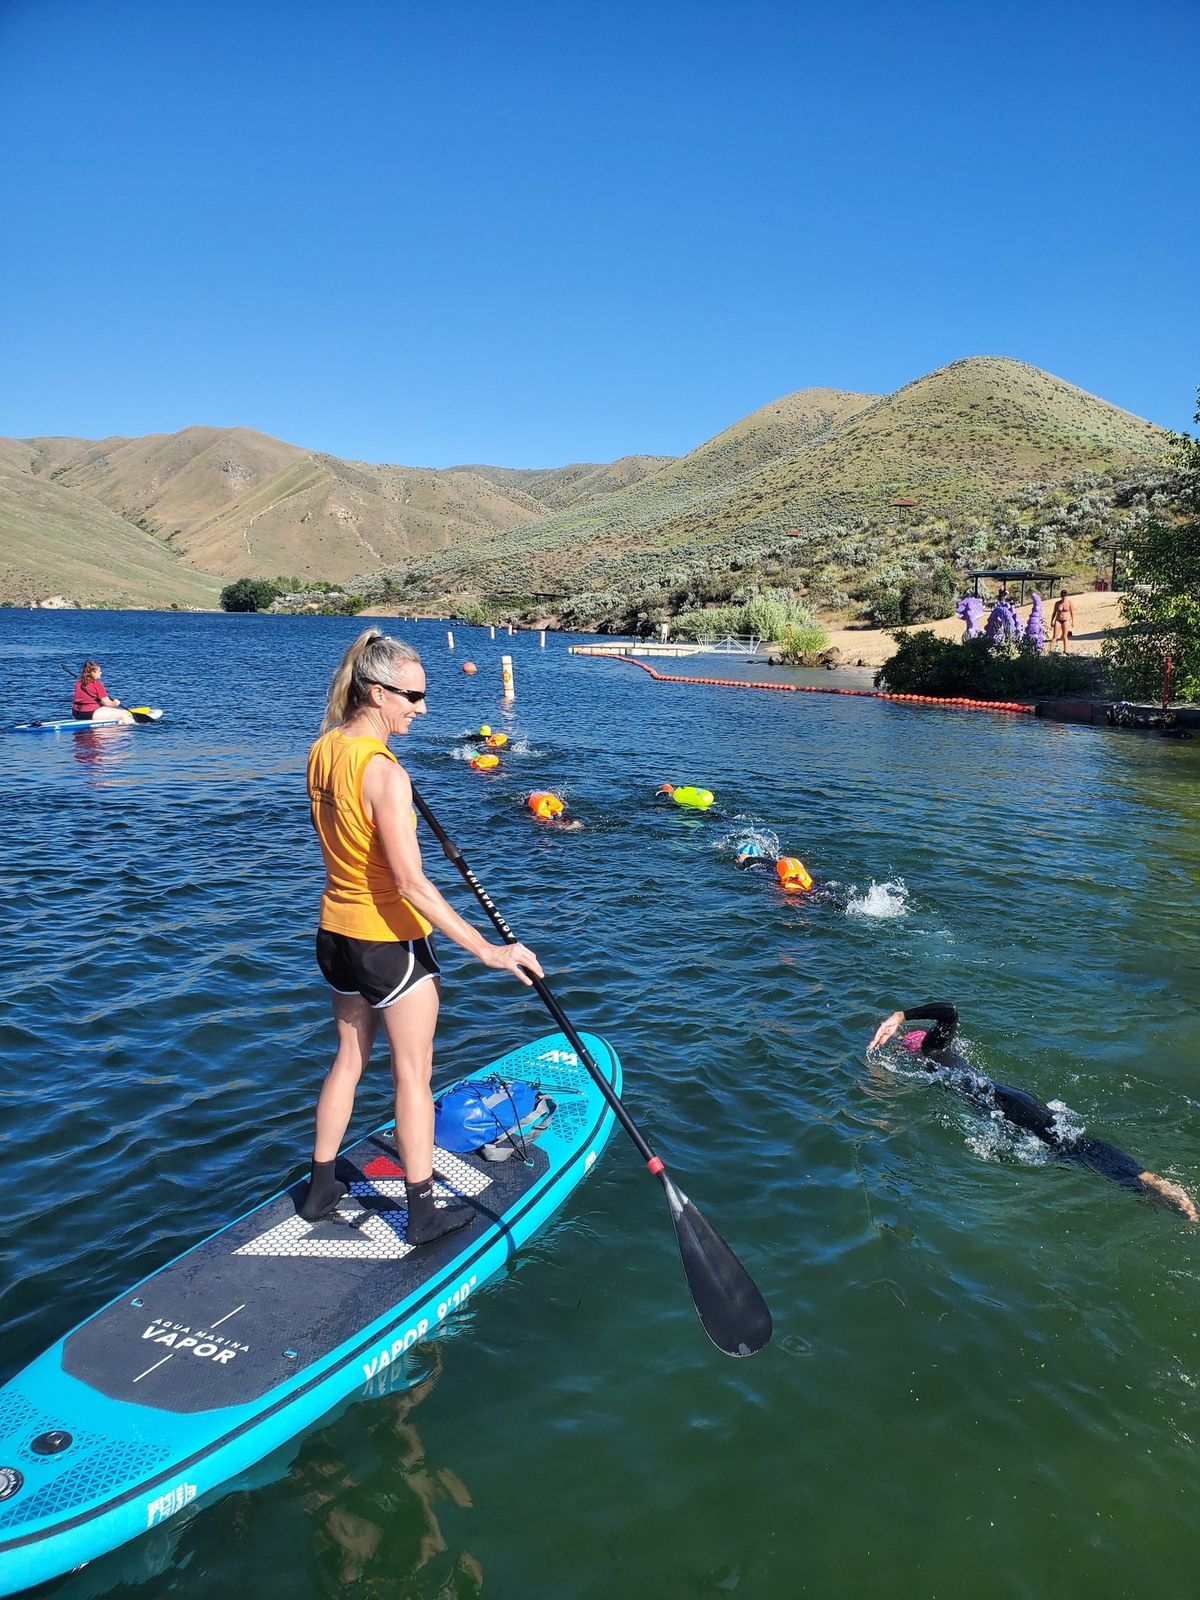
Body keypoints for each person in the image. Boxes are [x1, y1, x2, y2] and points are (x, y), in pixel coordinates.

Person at [302, 628, 543, 1243]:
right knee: (413, 1075)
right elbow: (411, 885)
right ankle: (422, 1213)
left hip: (334, 934)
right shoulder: (384, 774)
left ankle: (322, 1185)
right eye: (412, 696)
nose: (422, 707)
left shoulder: (324, 747)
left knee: (349, 1059)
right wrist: (489, 950)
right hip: (388, 942)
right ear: (377, 692)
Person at [868, 1002, 1197, 1219]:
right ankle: (1144, 1181)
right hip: (1013, 1097)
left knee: (1067, 1147)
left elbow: (949, 1012)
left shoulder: (931, 1048)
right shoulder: (943, 1054)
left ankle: (1150, 1185)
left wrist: (900, 1016)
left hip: (1004, 1103)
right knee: (1071, 1144)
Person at [1049, 590, 1075, 654]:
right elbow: (1054, 612)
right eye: (1062, 596)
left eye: (1065, 597)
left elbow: (1072, 612)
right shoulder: (1057, 603)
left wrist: (1073, 621)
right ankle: (1051, 650)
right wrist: (1051, 621)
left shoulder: (1069, 603)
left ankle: (1065, 650)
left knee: (1064, 636)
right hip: (1058, 620)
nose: (1064, 598)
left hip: (1066, 620)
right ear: (1061, 596)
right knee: (1055, 636)